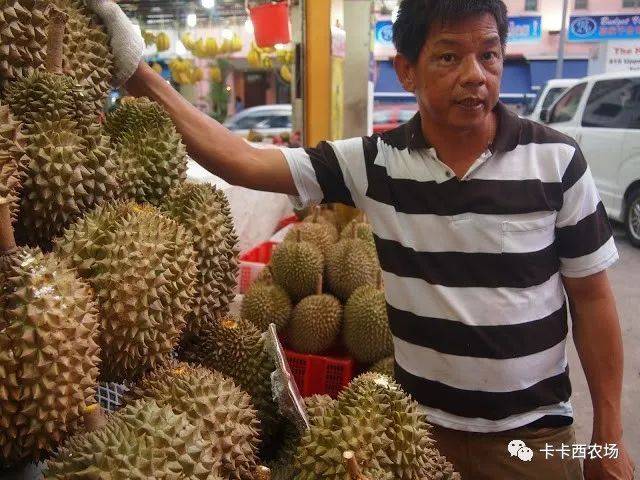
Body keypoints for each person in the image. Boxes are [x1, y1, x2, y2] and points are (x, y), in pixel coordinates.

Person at [86, 0, 635, 478]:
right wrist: (138, 73)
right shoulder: (376, 164)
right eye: (449, 57)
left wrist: (608, 436)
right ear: (406, 70)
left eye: (489, 55)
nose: (475, 75)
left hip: (533, 439)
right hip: (416, 435)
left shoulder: (557, 160)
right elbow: (242, 160)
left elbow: (592, 302)